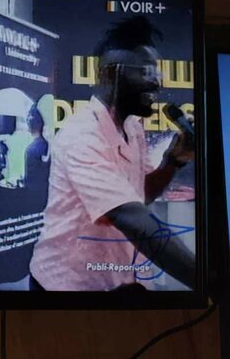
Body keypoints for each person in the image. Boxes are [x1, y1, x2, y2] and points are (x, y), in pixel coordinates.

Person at [29, 16, 195, 291]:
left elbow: (139, 196)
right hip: (66, 288)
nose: (157, 84)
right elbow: (131, 218)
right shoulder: (81, 135)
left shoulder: (133, 127)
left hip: (116, 281)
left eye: (157, 74)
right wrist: (208, 281)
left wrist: (172, 161)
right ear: (110, 75)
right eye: (146, 73)